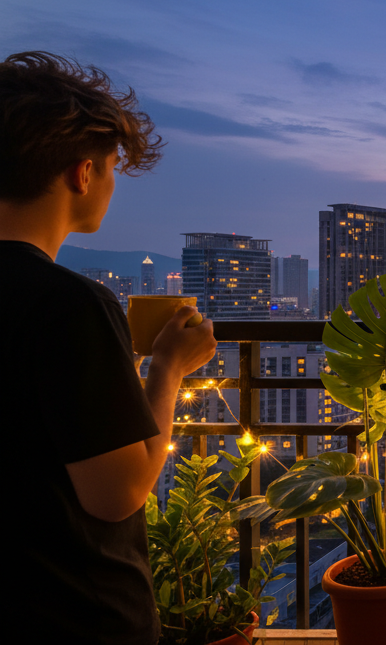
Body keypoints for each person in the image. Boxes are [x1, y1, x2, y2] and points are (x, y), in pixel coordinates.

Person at [1, 51, 218, 644]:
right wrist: (168, 368)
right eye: (113, 167)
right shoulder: (66, 305)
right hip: (69, 608)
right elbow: (117, 494)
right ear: (82, 173)